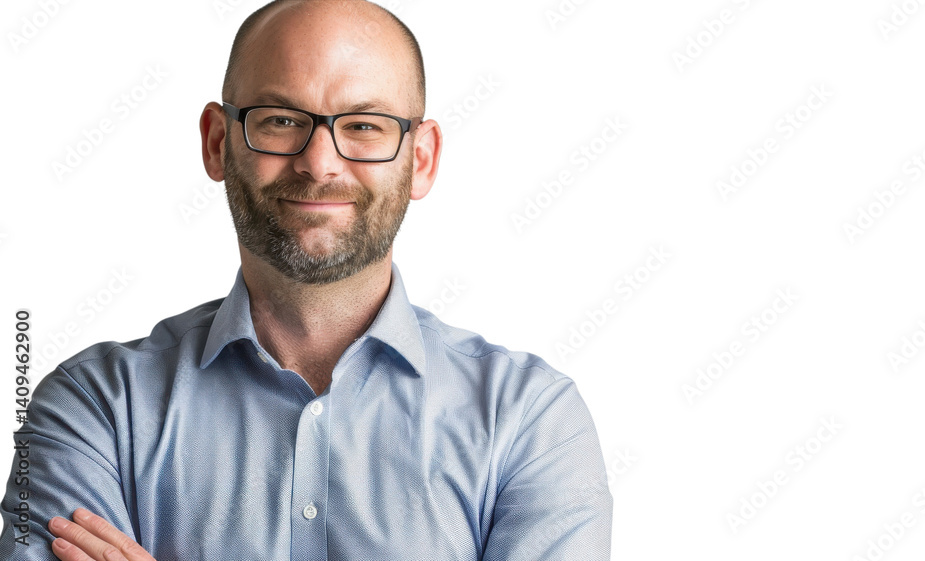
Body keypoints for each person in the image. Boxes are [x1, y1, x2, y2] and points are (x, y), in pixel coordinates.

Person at [0, 0, 613, 559]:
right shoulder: (94, 408)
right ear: (217, 142)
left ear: (421, 159)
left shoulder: (530, 421)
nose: (320, 164)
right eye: (280, 120)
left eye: (364, 126)